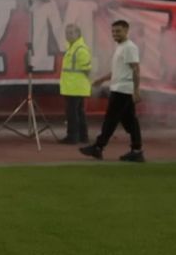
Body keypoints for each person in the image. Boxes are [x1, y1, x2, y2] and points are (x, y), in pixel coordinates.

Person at [79, 20, 145, 162]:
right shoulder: (121, 47)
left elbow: (136, 69)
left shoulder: (129, 47)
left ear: (127, 31)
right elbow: (117, 71)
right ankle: (137, 150)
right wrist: (102, 79)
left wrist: (136, 90)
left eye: (118, 31)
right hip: (120, 88)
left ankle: (98, 147)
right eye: (113, 31)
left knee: (111, 119)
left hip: (123, 90)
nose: (115, 34)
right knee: (130, 122)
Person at [58, 24, 92, 145]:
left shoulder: (80, 49)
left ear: (78, 34)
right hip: (74, 87)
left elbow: (87, 69)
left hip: (75, 87)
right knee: (79, 113)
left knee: (72, 114)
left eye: (71, 33)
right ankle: (83, 136)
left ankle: (72, 137)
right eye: (67, 33)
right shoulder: (73, 48)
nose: (68, 35)